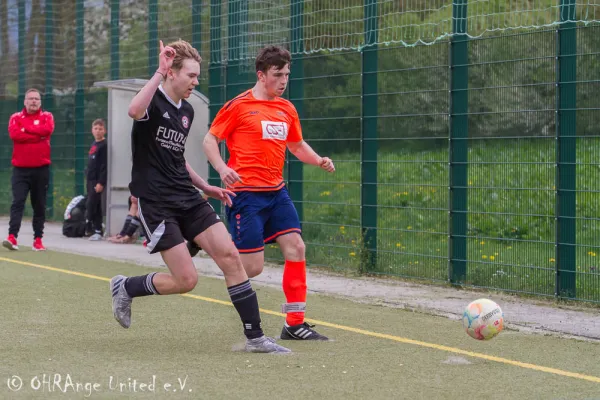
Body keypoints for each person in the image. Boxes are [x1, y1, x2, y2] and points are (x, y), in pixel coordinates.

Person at [109, 39, 290, 354]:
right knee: (186, 281)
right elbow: (133, 109)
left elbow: (176, 158)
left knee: (231, 257)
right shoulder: (151, 101)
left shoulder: (187, 110)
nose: (196, 81)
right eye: (191, 76)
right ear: (172, 73)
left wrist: (206, 187)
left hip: (188, 197)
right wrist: (158, 72)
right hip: (157, 202)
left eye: (197, 76)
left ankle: (256, 338)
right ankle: (126, 286)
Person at [202, 45, 335, 341]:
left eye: (287, 74)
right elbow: (210, 140)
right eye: (278, 74)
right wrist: (223, 169)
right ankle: (206, 244)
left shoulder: (287, 108)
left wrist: (319, 160)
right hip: (246, 196)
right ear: (261, 75)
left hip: (277, 193)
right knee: (252, 268)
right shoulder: (238, 106)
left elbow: (297, 146)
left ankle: (294, 323)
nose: (284, 80)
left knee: (296, 248)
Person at [3, 88, 54, 251]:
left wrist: (26, 129)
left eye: (36, 99)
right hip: (20, 169)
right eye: (31, 99)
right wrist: (37, 136)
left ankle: (38, 240)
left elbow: (47, 131)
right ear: (25, 101)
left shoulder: (47, 116)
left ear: (40, 102)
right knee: (17, 202)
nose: (33, 101)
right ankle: (12, 237)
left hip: (41, 169)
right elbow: (15, 135)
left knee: (39, 205)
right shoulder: (15, 118)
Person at [85, 119, 108, 241]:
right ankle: (95, 228)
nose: (98, 131)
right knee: (93, 204)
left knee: (94, 205)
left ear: (105, 131)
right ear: (92, 130)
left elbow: (104, 166)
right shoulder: (94, 144)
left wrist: (101, 182)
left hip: (97, 181)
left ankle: (97, 229)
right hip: (90, 180)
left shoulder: (104, 146)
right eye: (96, 128)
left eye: (100, 129)